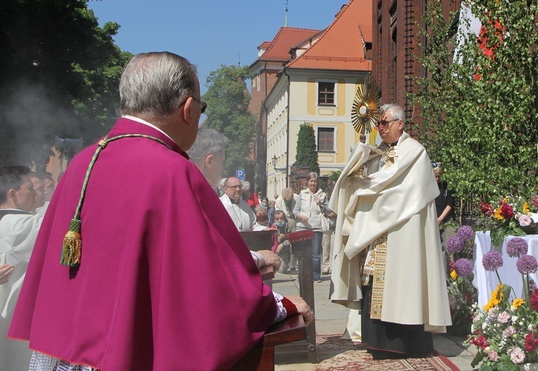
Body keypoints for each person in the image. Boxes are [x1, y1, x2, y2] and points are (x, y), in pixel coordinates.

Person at [9, 52, 311, 370]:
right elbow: (210, 286)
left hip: (68, 355)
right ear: (188, 109)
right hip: (128, 355)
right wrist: (280, 305)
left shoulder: (83, 162)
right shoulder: (172, 171)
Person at [330, 103, 451, 358]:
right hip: (378, 233)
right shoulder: (378, 153)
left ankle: (405, 344)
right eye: (379, 124)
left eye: (385, 123)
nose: (381, 128)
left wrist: (368, 196)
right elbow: (371, 183)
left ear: (400, 124)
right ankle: (377, 342)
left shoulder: (415, 152)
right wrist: (359, 169)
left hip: (403, 232)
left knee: (404, 284)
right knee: (374, 283)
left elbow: (403, 193)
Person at [189, 127, 278, 270]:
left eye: (239, 187)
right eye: (222, 161)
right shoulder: (213, 203)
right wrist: (259, 257)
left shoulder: (244, 205)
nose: (223, 168)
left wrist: (264, 230)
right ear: (210, 161)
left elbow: (253, 225)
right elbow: (216, 254)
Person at [0, 166, 47, 371]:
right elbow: (48, 222)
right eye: (30, 188)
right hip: (10, 325)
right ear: (12, 194)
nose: (37, 194)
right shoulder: (13, 224)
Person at [294, 172, 331, 282]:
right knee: (302, 253)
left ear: (317, 183)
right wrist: (300, 216)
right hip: (302, 226)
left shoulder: (322, 195)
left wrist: (320, 204)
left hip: (316, 227)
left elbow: (328, 211)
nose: (313, 183)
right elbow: (295, 211)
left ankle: (315, 275)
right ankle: (302, 274)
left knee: (316, 254)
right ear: (307, 182)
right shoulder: (302, 194)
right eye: (311, 181)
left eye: (315, 181)